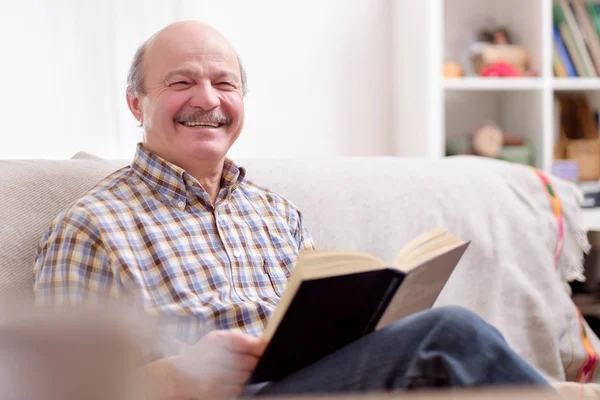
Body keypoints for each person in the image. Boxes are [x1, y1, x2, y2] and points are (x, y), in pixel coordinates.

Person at [33, 21, 549, 400]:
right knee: (448, 333)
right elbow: (60, 388)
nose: (207, 99)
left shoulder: (276, 213)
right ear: (135, 104)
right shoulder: (92, 227)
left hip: (323, 384)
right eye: (181, 82)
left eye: (225, 83)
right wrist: (182, 373)